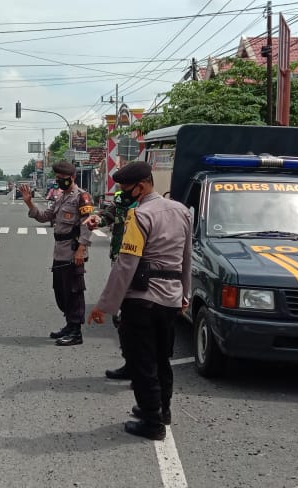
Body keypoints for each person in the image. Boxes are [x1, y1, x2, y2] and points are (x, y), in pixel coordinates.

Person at [87, 162, 192, 441]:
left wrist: (104, 305)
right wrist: (185, 294)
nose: (125, 194)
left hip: (142, 299)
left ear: (142, 185)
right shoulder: (181, 211)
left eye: (126, 188)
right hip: (170, 297)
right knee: (161, 359)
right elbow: (186, 258)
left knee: (142, 361)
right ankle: (162, 410)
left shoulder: (140, 215)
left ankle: (151, 420)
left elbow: (126, 264)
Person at [20, 162, 94, 346]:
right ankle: (69, 325)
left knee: (74, 291)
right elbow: (45, 216)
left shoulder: (81, 197)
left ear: (72, 178)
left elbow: (87, 223)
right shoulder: (61, 197)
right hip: (59, 250)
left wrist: (81, 249)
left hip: (73, 250)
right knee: (61, 292)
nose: (59, 182)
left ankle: (76, 332)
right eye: (58, 179)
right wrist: (29, 202)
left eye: (63, 179)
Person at [85, 188, 139, 380]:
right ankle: (131, 363)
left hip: (141, 266)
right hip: (119, 259)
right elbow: (107, 215)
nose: (123, 189)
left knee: (137, 317)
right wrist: (97, 220)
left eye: (127, 184)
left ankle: (142, 371)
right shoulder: (121, 201)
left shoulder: (148, 206)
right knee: (121, 318)